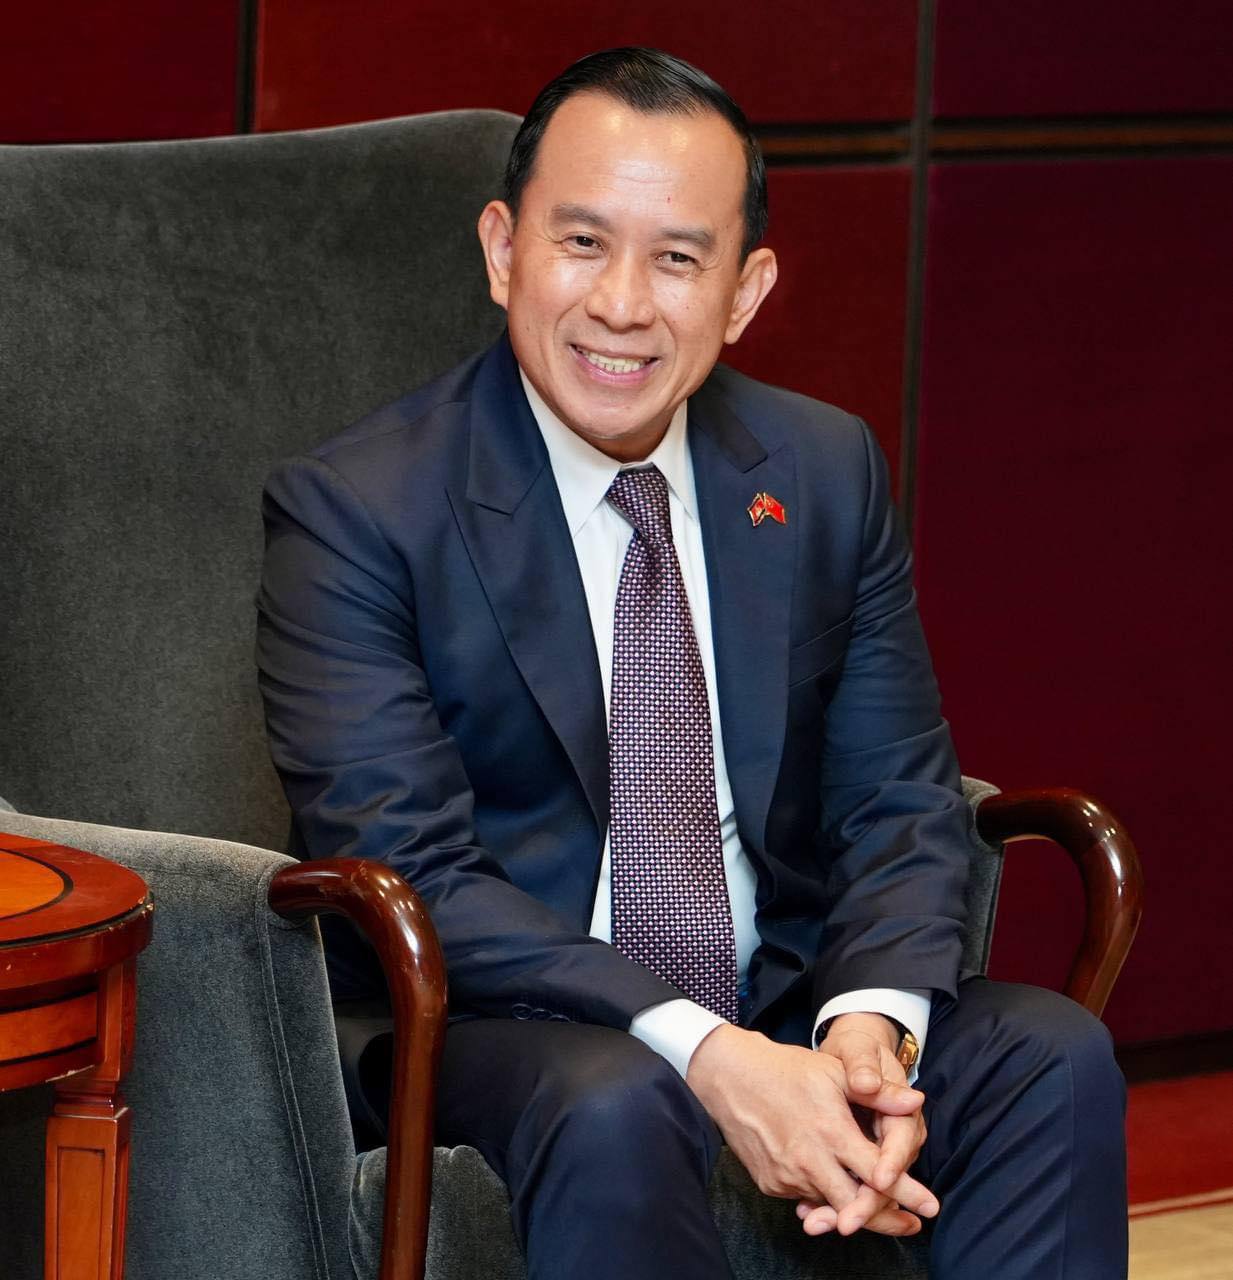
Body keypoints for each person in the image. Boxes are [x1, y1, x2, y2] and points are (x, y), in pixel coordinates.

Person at [257, 47, 1127, 1280]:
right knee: (620, 1094)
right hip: (494, 1019)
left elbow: (898, 794)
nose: (622, 304)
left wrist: (868, 1027)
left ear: (745, 290)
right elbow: (414, 863)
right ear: (504, 249)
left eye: (677, 258)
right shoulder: (359, 509)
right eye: (582, 243)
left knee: (1048, 1056)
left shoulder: (820, 471)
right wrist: (707, 1052)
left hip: (777, 991)